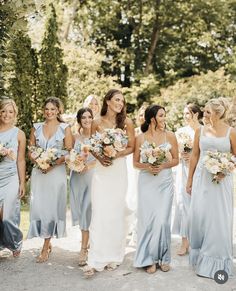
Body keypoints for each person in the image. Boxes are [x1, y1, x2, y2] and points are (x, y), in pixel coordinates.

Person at [84, 89, 135, 276]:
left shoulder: (127, 122)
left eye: (122, 101)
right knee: (99, 211)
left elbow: (131, 147)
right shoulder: (96, 121)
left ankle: (114, 255)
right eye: (116, 100)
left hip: (118, 170)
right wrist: (100, 157)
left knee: (115, 212)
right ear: (108, 101)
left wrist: (116, 153)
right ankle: (95, 259)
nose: (120, 103)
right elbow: (90, 146)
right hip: (102, 171)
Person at [186, 97, 236, 279]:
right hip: (202, 179)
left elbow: (235, 157)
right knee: (199, 217)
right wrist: (189, 180)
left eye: (207, 112)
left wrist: (225, 169)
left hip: (222, 181)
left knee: (219, 219)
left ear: (217, 114)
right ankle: (200, 257)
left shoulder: (231, 132)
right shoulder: (200, 130)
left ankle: (217, 260)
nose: (204, 114)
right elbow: (194, 156)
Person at [133, 105, 179, 274]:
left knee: (163, 221)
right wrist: (148, 166)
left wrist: (161, 166)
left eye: (164, 116)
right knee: (148, 221)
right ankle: (149, 259)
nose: (164, 119)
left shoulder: (171, 136)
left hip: (165, 183)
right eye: (161, 116)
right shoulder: (140, 138)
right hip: (146, 183)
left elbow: (176, 160)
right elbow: (135, 163)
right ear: (152, 118)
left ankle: (165, 258)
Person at [27, 97, 73, 263]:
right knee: (40, 206)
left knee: (51, 207)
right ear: (43, 110)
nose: (49, 112)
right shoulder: (36, 127)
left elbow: (69, 152)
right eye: (46, 109)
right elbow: (30, 151)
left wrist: (52, 164)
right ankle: (47, 240)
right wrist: (39, 161)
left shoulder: (65, 128)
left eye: (53, 109)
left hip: (56, 173)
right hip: (39, 173)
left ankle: (46, 246)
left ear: (58, 110)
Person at [172, 103, 202, 256]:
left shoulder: (203, 130)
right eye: (183, 114)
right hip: (183, 171)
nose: (185, 116)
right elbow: (174, 153)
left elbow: (207, 152)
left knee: (198, 206)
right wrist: (181, 155)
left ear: (196, 114)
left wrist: (194, 157)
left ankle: (198, 241)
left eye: (188, 113)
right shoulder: (180, 132)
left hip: (199, 172)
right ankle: (184, 242)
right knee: (183, 204)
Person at [69, 107, 96, 266]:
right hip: (76, 177)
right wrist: (75, 162)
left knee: (87, 209)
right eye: (84, 118)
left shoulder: (97, 138)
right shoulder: (74, 137)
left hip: (90, 176)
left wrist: (88, 166)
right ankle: (87, 239)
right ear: (79, 120)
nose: (87, 120)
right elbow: (68, 155)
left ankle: (84, 248)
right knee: (80, 209)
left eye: (89, 117)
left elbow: (102, 159)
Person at [0, 99, 26, 257]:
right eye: (3, 111)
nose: (6, 114)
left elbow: (21, 159)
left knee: (7, 215)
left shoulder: (19, 134)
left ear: (15, 114)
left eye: (10, 112)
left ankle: (16, 241)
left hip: (11, 176)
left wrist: (22, 182)